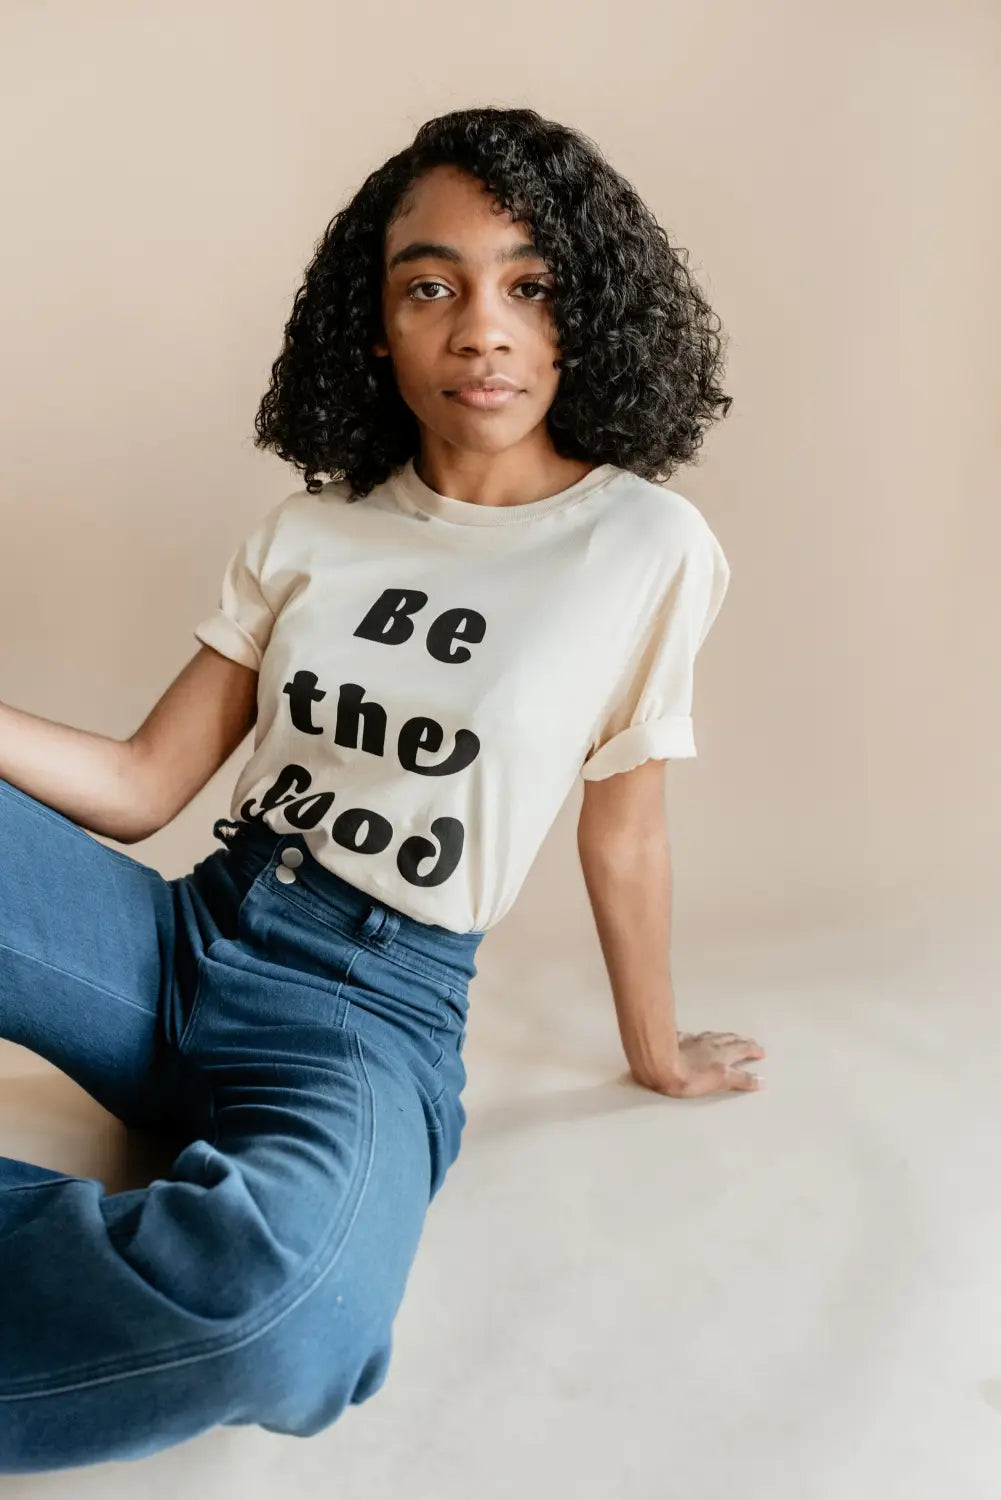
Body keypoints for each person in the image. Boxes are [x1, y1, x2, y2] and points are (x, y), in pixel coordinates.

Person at [0, 105, 765, 1472]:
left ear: (584, 313)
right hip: (181, 942)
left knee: (278, 1318)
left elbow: (625, 830)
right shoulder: (311, 530)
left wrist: (652, 1050)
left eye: (528, 286)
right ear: (376, 328)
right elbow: (136, 786)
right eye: (431, 285)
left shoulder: (642, 545)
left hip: (368, 1012)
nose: (481, 326)